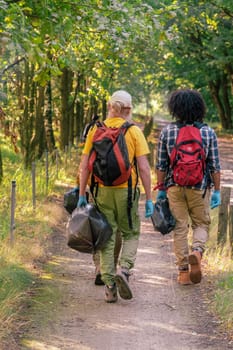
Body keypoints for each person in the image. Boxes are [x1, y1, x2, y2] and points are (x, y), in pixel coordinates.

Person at [78, 90, 153, 302]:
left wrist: (83, 193)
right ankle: (125, 270)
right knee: (130, 233)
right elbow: (145, 168)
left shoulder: (95, 129)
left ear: (110, 106)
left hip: (101, 191)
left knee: (107, 237)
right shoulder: (134, 131)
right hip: (127, 192)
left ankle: (110, 287)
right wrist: (149, 198)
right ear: (128, 109)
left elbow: (84, 166)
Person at [155, 88, 221, 285]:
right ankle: (197, 252)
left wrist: (161, 189)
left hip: (174, 187)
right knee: (201, 223)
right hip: (199, 188)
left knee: (180, 227)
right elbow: (215, 166)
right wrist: (216, 190)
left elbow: (161, 165)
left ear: (175, 108)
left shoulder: (167, 131)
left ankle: (183, 272)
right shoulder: (208, 132)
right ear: (199, 108)